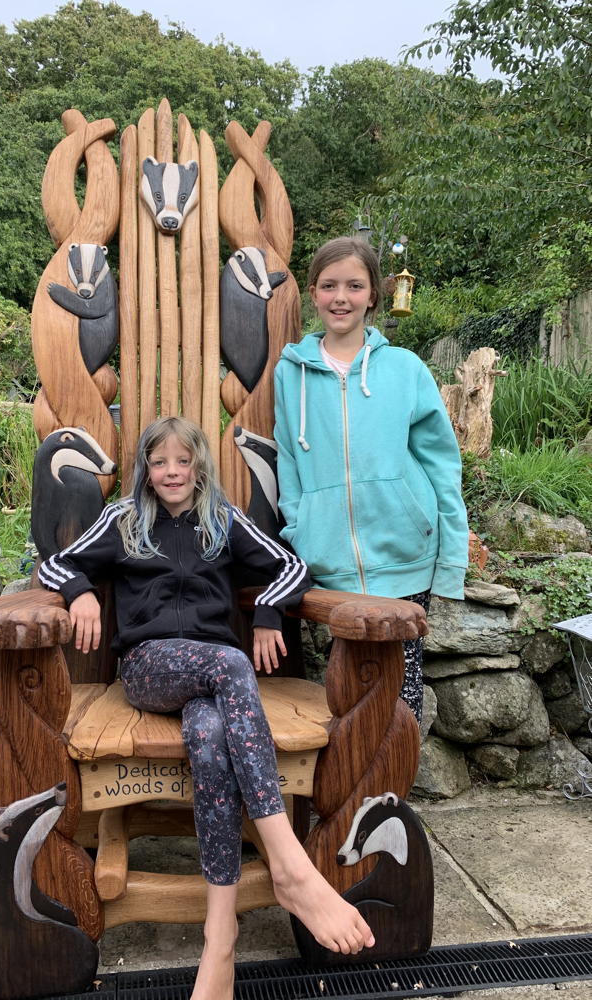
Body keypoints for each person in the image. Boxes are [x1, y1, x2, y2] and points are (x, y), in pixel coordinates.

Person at [39, 415, 375, 1000]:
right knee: (230, 664)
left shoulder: (223, 520)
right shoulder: (122, 522)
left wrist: (269, 610)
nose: (171, 472)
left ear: (200, 466)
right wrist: (81, 593)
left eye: (182, 460)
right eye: (159, 461)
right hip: (151, 669)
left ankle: (219, 939)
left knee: (211, 735)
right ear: (146, 469)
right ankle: (290, 865)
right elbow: (53, 563)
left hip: (218, 688)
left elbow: (291, 566)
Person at [274, 237, 469, 721]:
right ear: (313, 293)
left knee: (402, 701)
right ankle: (356, 794)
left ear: (373, 296)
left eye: (354, 286)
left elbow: (442, 464)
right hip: (331, 560)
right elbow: (288, 462)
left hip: (404, 557)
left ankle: (389, 795)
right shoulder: (290, 373)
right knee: (346, 697)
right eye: (329, 285)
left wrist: (452, 558)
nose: (341, 297)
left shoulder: (404, 369)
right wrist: (302, 531)